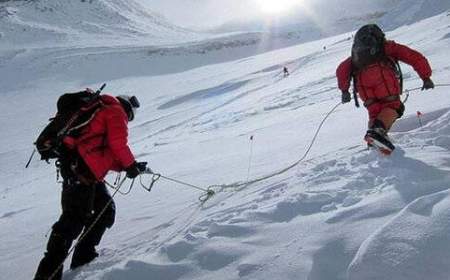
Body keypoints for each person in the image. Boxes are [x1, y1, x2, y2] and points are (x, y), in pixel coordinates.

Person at [34, 94, 144, 280]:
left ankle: (83, 257)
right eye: (130, 117)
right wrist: (130, 165)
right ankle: (47, 274)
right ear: (129, 110)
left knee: (105, 210)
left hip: (82, 170)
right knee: (72, 221)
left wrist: (128, 166)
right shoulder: (115, 111)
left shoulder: (101, 111)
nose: (128, 120)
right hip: (82, 172)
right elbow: (118, 144)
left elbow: (102, 152)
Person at [336, 24, 434, 154]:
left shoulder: (356, 56)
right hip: (383, 79)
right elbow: (413, 57)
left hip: (364, 87)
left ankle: (375, 142)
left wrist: (344, 90)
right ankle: (377, 134)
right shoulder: (386, 47)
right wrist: (425, 76)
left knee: (375, 112)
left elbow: (341, 69)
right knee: (394, 106)